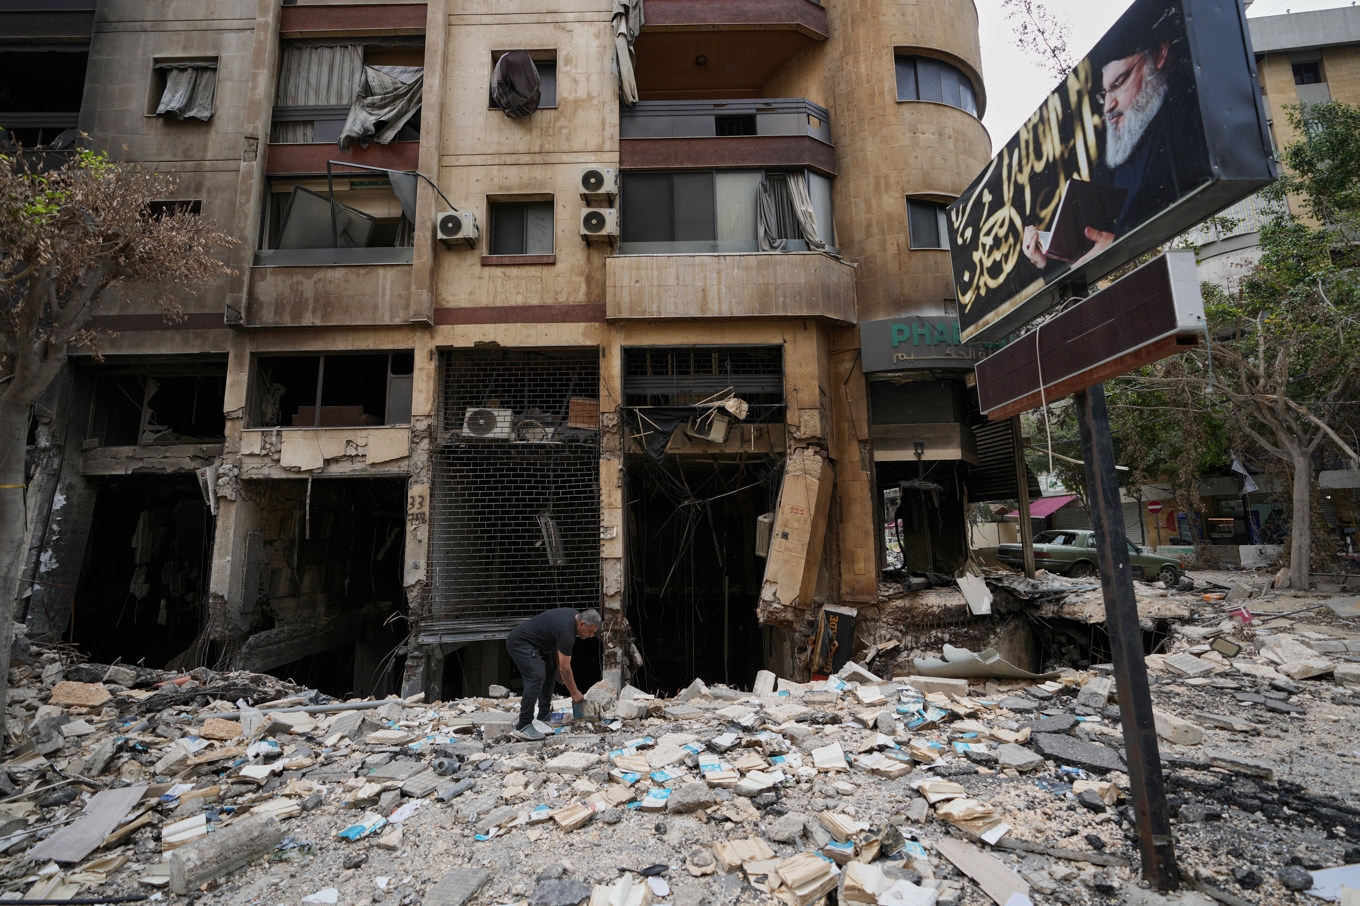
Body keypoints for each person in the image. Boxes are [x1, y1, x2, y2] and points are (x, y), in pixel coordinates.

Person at [1023, 3, 1208, 272]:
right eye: (1105, 93)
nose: (1108, 105)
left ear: (1159, 54)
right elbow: (1094, 248)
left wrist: (1118, 245)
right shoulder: (1111, 162)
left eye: (1119, 84)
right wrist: (1048, 259)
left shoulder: (1194, 122)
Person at [505, 607, 601, 740]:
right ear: (582, 624)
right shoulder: (567, 633)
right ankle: (523, 724)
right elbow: (565, 669)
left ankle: (543, 713)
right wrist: (574, 693)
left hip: (540, 645)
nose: (591, 636)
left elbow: (557, 642)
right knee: (536, 676)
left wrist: (558, 666)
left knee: (551, 670)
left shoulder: (573, 617)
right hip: (520, 643)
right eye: (590, 631)